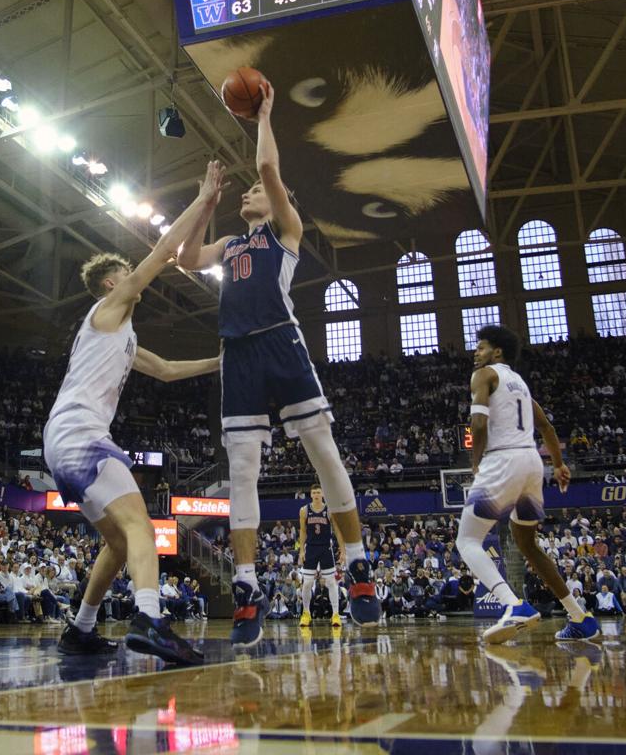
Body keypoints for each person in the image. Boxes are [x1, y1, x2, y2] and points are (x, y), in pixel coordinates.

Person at [176, 86, 380, 647]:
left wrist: (263, 114)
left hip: (280, 343)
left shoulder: (284, 231)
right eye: (244, 192)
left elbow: (266, 165)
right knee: (241, 471)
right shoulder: (230, 244)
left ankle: (358, 564)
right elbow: (185, 258)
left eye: (255, 192)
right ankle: (247, 587)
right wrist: (205, 205)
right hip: (237, 352)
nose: (249, 192)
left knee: (322, 451)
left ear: (277, 199)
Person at [45, 161, 225, 666]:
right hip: (80, 434)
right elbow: (164, 252)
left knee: (120, 543)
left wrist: (217, 361)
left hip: (65, 440)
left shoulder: (122, 336)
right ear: (110, 285)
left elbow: (165, 370)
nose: (134, 279)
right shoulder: (108, 310)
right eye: (125, 274)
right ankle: (149, 620)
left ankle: (80, 630)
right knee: (143, 527)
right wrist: (204, 198)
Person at [453, 325, 599, 644]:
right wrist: (559, 464)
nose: (476, 352)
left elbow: (478, 424)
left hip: (503, 459)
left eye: (481, 347)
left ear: (497, 352)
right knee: (528, 543)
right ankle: (580, 617)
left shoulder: (484, 375)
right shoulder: (519, 383)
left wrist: (476, 463)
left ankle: (513, 604)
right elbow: (545, 426)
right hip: (533, 463)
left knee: (467, 541)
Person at [298, 485, 344, 627]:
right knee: (307, 584)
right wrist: (301, 550)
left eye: (318, 492)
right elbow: (303, 531)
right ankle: (306, 613)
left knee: (331, 582)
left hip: (325, 548)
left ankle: (335, 614)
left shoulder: (329, 510)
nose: (316, 494)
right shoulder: (304, 510)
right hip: (310, 548)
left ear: (322, 494)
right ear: (310, 494)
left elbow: (337, 530)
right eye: (314, 492)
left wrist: (342, 549)